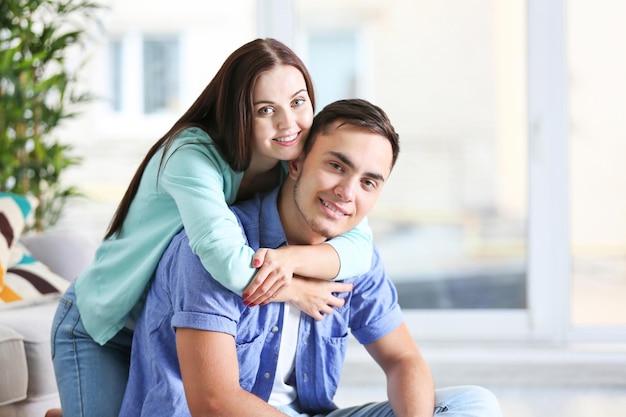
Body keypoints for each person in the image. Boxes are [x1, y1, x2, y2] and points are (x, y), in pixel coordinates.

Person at [50, 39, 374, 417]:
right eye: (266, 109)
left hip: (162, 329)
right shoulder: (190, 156)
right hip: (106, 325)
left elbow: (360, 245)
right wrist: (296, 288)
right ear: (238, 114)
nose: (289, 123)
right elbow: (226, 261)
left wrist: (290, 259)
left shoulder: (292, 156)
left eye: (298, 102)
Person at [119, 99, 504, 417]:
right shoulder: (214, 247)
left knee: (473, 405)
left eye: (368, 182)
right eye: (337, 166)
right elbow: (215, 403)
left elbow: (403, 358)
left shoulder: (355, 257)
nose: (347, 192)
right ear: (297, 163)